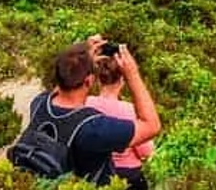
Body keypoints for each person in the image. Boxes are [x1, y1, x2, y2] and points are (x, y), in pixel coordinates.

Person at [13, 37, 161, 185]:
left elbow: (62, 82)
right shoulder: (93, 129)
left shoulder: (39, 103)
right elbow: (152, 126)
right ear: (89, 81)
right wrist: (132, 74)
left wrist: (78, 56)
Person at [87, 52, 155, 190]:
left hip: (93, 174)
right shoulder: (130, 111)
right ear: (123, 80)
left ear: (98, 79)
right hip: (128, 176)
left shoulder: (86, 104)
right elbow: (145, 151)